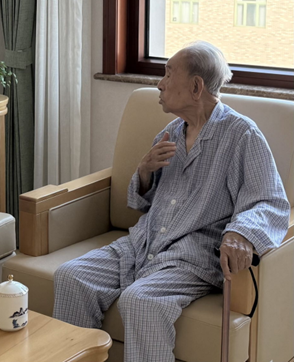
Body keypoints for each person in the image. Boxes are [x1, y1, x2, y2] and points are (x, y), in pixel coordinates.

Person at [52, 41, 289, 362]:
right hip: (143, 243)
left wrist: (241, 233)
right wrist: (144, 171)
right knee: (71, 276)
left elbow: (270, 201)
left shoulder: (242, 134)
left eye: (168, 74)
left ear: (196, 87)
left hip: (191, 255)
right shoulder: (172, 132)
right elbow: (145, 203)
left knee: (141, 301)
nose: (160, 84)